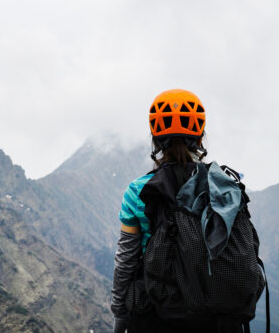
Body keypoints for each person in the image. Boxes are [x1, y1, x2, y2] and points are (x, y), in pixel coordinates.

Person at [110, 89, 259, 333]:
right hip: (219, 322)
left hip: (157, 317)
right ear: (200, 139)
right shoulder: (223, 188)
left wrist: (120, 314)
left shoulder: (138, 192)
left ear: (156, 141)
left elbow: (125, 261)